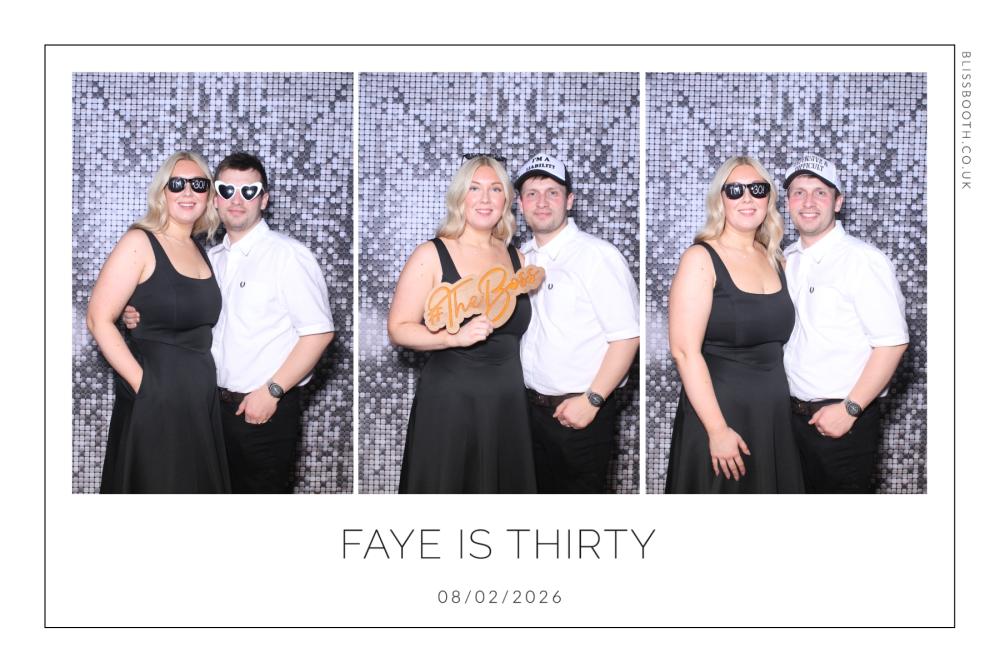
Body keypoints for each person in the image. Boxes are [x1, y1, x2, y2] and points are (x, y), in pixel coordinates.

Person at [125, 152, 335, 493]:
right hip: (207, 410)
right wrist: (135, 312)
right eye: (226, 190)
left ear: (264, 200)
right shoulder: (207, 258)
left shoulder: (288, 256)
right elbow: (182, 314)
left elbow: (318, 333)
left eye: (249, 191)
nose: (237, 200)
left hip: (263, 410)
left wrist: (272, 391)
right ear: (215, 199)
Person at [389, 155, 536, 493]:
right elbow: (398, 328)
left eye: (495, 189)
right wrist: (453, 338)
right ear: (459, 197)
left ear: (506, 200)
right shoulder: (431, 254)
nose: (485, 199)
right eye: (474, 188)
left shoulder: (518, 259)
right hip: (451, 403)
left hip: (509, 403)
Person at [87, 151, 229, 493]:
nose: (188, 192)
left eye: (198, 185)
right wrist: (146, 386)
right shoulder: (140, 241)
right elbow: (97, 319)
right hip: (156, 399)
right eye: (177, 184)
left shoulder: (199, 249)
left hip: (199, 402)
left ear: (209, 194)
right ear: (162, 191)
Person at [666, 156, 804, 493]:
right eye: (735, 190)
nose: (747, 198)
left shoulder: (777, 259)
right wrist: (717, 430)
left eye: (757, 189)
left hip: (772, 419)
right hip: (720, 417)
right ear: (720, 199)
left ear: (768, 199)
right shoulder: (700, 258)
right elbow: (684, 351)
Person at [781, 154, 908, 493]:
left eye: (820, 192)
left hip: (842, 422)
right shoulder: (786, 259)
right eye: (798, 192)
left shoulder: (862, 261)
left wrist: (850, 409)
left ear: (838, 202)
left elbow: (892, 343)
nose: (808, 202)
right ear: (788, 203)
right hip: (791, 421)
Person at [515, 154, 640, 493]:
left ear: (569, 201)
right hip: (528, 415)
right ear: (520, 204)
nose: (542, 202)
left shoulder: (597, 256)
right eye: (532, 194)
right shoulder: (520, 258)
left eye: (552, 193)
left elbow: (627, 338)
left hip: (579, 415)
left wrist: (592, 400)